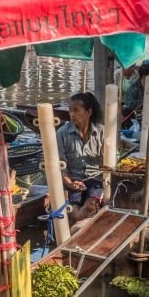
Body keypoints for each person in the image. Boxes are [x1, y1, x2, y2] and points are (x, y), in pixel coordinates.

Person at [57, 92, 105, 222]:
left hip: (96, 180)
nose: (72, 114)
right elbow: (59, 164)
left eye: (76, 110)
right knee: (73, 207)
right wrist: (70, 183)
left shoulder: (102, 132)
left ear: (88, 112)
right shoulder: (62, 133)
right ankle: (81, 213)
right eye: (70, 110)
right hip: (74, 179)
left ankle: (88, 207)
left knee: (92, 200)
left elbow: (111, 161)